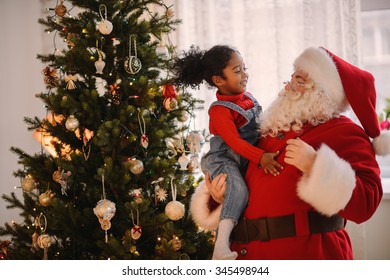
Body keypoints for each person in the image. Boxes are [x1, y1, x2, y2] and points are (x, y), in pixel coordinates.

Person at [190, 46, 390, 259]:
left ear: (322, 93)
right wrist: (218, 195)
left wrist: (314, 165)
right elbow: (242, 175)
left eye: (301, 81)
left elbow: (366, 205)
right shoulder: (270, 130)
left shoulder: (344, 132)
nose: (290, 85)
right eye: (292, 76)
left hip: (307, 255)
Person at [172, 45, 283, 260]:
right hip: (224, 159)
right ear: (218, 80)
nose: (245, 75)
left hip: (243, 156)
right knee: (239, 189)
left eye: (244, 68)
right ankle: (220, 245)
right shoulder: (220, 110)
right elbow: (235, 143)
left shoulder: (248, 98)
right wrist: (261, 157)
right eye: (237, 70)